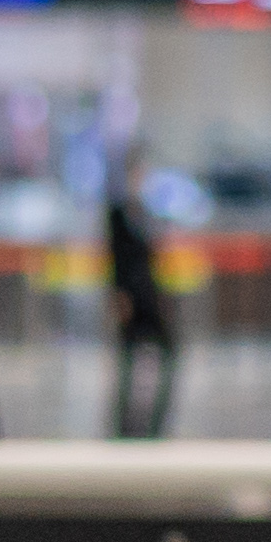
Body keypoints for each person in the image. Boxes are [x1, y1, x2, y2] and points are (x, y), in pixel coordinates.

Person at [105, 172, 181, 440]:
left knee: (160, 357)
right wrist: (120, 294)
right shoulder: (118, 213)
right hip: (134, 299)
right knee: (132, 361)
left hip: (148, 296)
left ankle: (148, 427)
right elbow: (116, 257)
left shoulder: (144, 213)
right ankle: (127, 427)